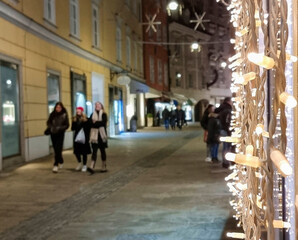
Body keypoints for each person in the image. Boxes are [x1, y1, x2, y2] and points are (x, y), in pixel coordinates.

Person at [46, 102, 69, 173]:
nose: (58, 108)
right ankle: (61, 160)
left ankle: (55, 164)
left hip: (60, 134)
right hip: (53, 134)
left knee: (59, 148)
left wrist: (60, 128)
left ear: (62, 108)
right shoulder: (52, 114)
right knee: (56, 149)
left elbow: (67, 125)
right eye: (57, 107)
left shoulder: (64, 115)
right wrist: (51, 127)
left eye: (59, 107)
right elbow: (48, 122)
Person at [88, 102, 108, 174]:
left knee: (102, 151)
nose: (97, 106)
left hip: (102, 136)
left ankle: (104, 165)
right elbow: (90, 123)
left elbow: (103, 123)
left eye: (99, 105)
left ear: (101, 106)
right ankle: (92, 166)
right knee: (94, 151)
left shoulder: (104, 114)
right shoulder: (92, 114)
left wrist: (95, 122)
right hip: (94, 136)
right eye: (96, 105)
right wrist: (97, 123)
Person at [71, 107, 91, 172]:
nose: (78, 112)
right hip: (77, 138)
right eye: (77, 111)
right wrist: (74, 121)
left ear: (82, 111)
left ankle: (84, 165)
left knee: (84, 152)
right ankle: (79, 163)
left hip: (84, 138)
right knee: (77, 152)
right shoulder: (74, 119)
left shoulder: (86, 119)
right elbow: (72, 128)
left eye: (79, 111)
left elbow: (88, 128)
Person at [215, 97, 233, 168]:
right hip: (226, 130)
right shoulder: (227, 110)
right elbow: (227, 122)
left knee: (225, 147)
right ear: (229, 102)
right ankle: (226, 162)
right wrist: (229, 131)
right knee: (227, 147)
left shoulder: (221, 109)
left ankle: (225, 162)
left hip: (222, 130)